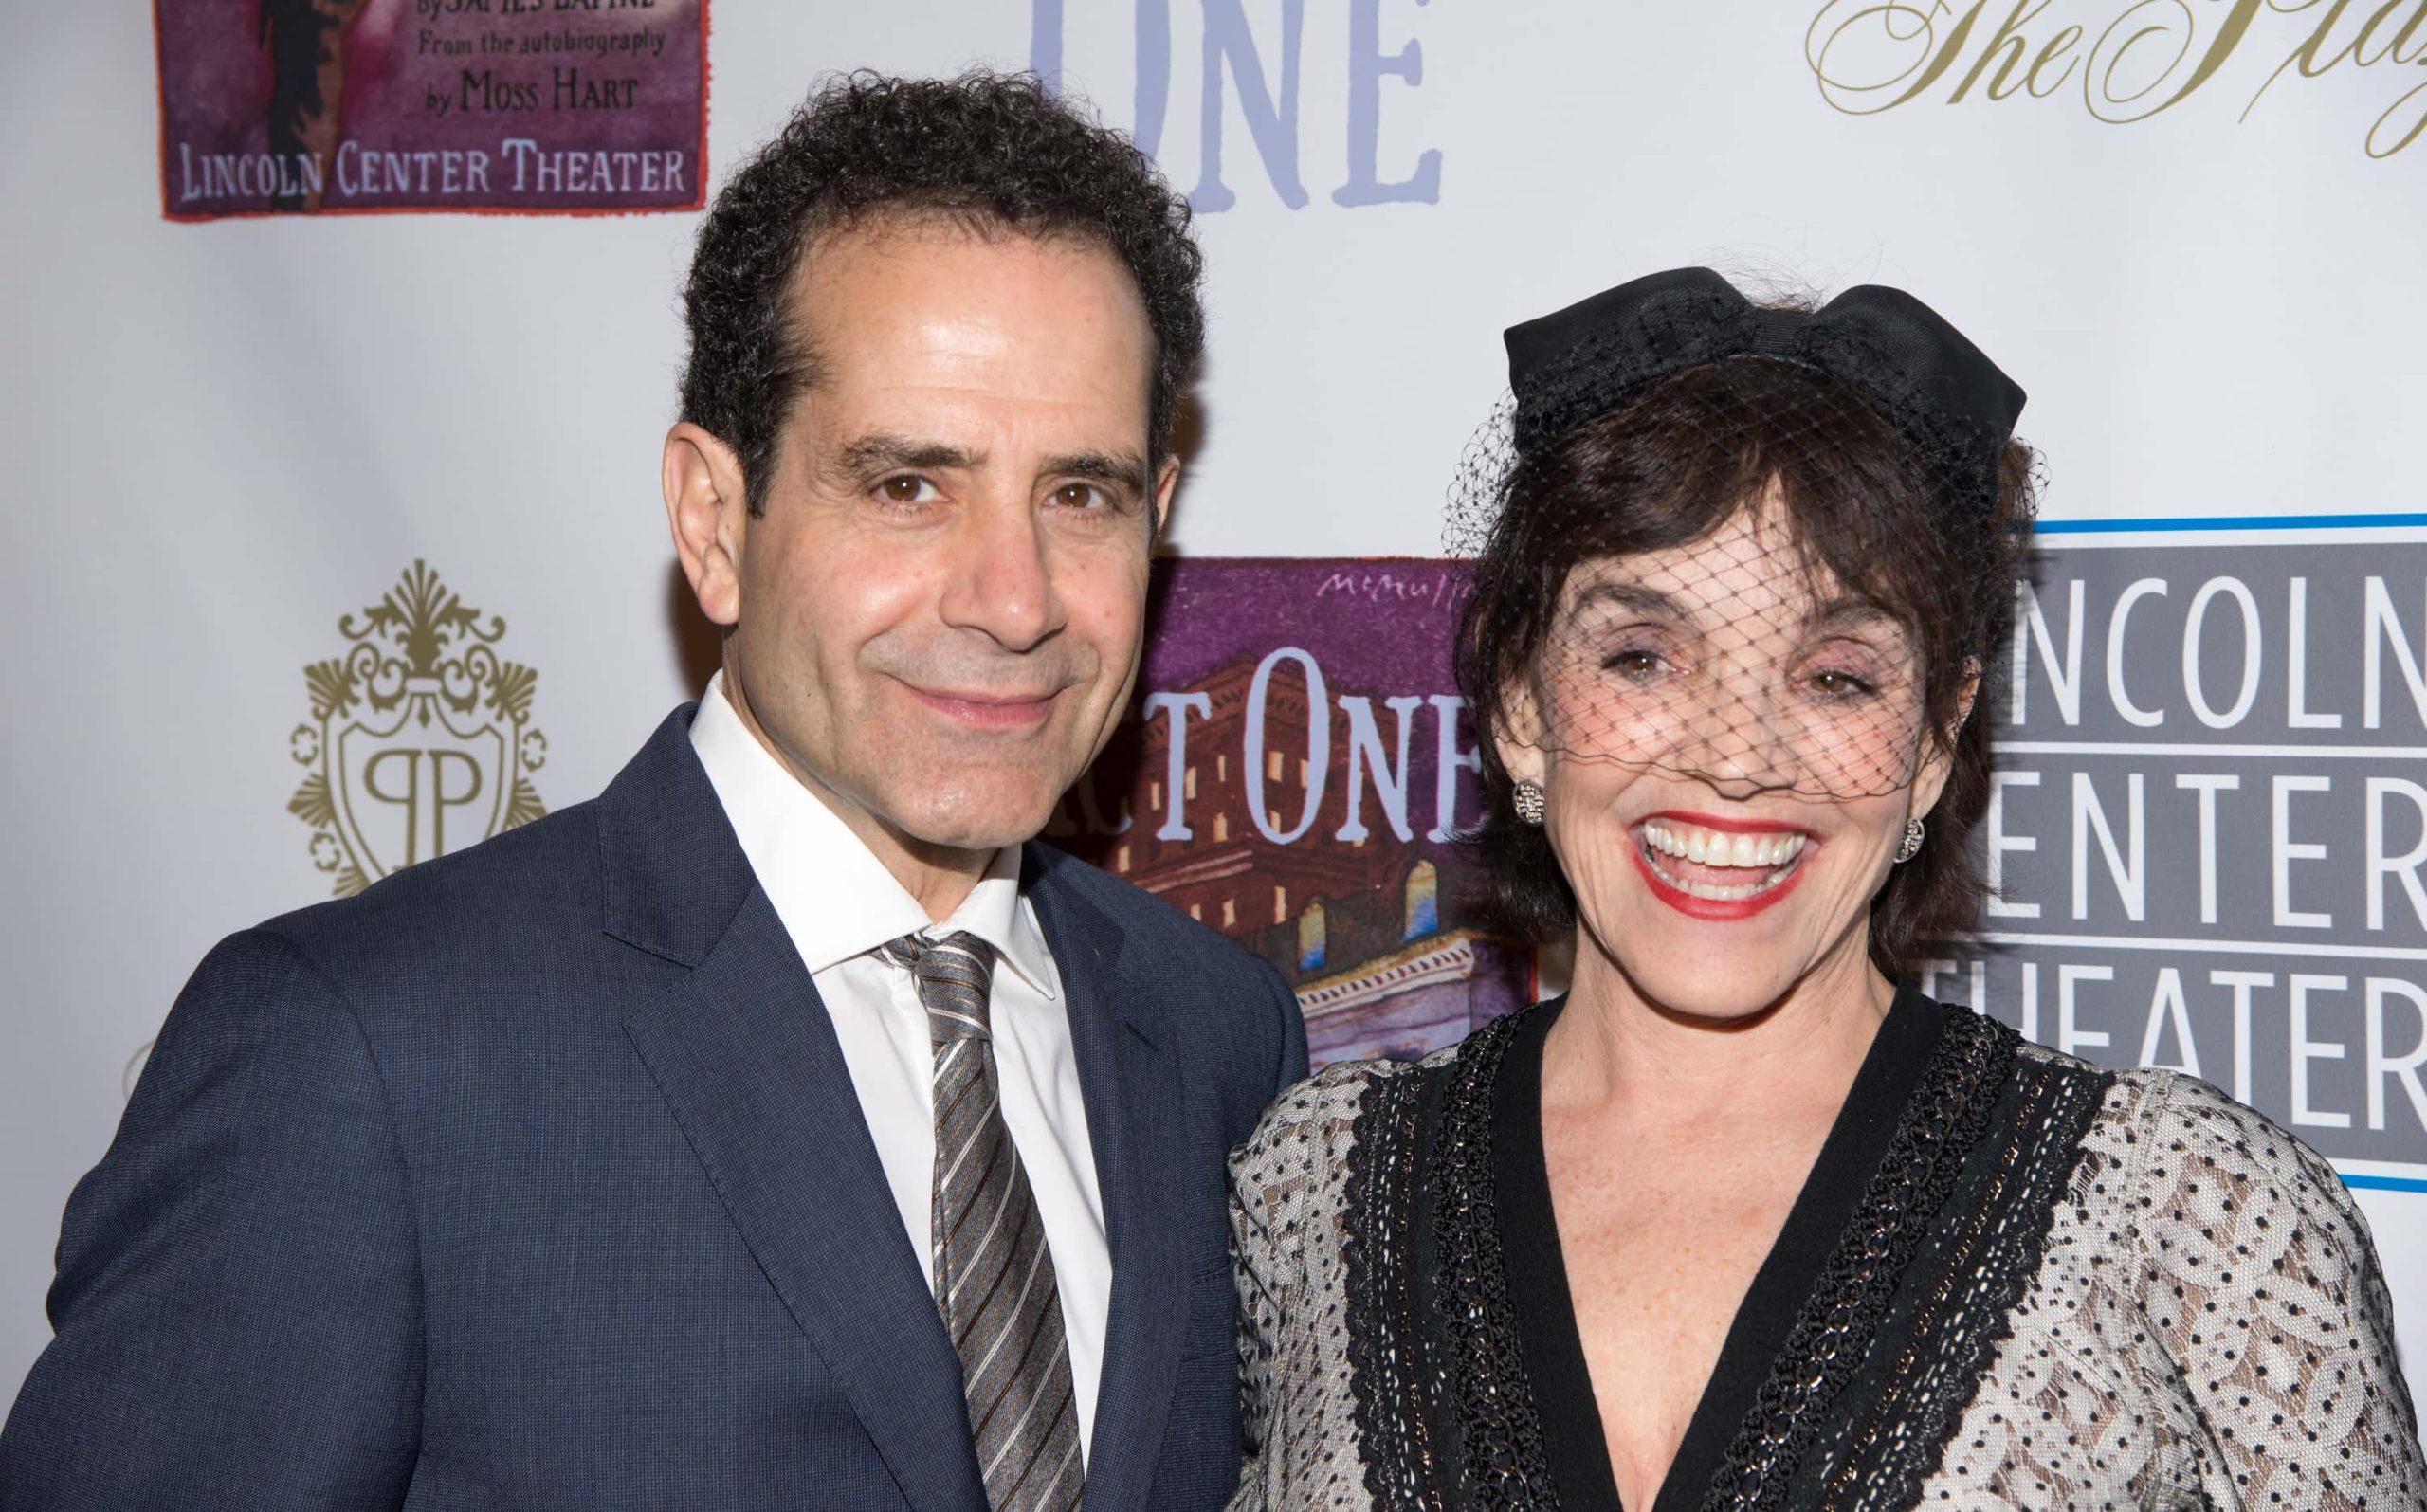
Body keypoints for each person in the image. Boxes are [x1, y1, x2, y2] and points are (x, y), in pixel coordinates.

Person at [0, 71, 1305, 1512]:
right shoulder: (364, 1053)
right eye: (907, 487)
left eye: (1081, 495)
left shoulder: (1215, 1038)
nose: (1015, 599)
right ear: (712, 520)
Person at [1224, 267, 2426, 1510]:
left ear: (1936, 736)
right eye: (1642, 656)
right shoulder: (1317, 1184)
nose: (1738, 758)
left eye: (1836, 676)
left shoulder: (2195, 1214)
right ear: (1522, 705)